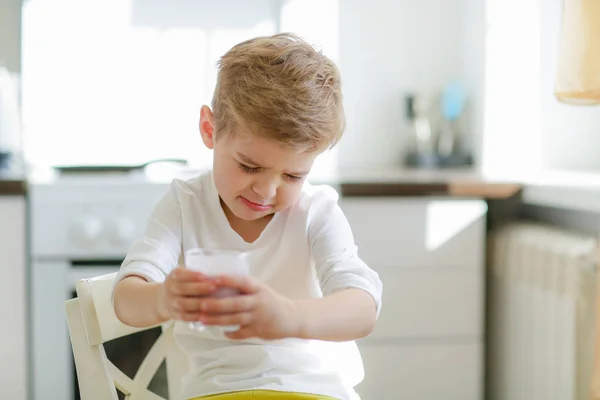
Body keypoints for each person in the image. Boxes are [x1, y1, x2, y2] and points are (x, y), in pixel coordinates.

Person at [112, 32, 383, 400]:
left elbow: (363, 308)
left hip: (315, 391)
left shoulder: (315, 212)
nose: (267, 191)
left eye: (292, 176)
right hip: (217, 392)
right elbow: (126, 298)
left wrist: (290, 316)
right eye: (249, 166)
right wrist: (163, 299)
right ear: (210, 129)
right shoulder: (184, 204)